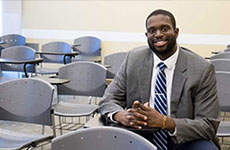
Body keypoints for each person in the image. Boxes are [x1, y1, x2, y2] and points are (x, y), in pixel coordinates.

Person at [98, 9, 221, 150]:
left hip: (184, 140)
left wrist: (165, 122)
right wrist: (121, 116)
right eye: (152, 31)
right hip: (140, 135)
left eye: (164, 29)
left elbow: (208, 125)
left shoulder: (202, 69)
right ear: (146, 35)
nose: (158, 35)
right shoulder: (133, 59)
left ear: (176, 32)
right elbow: (108, 100)